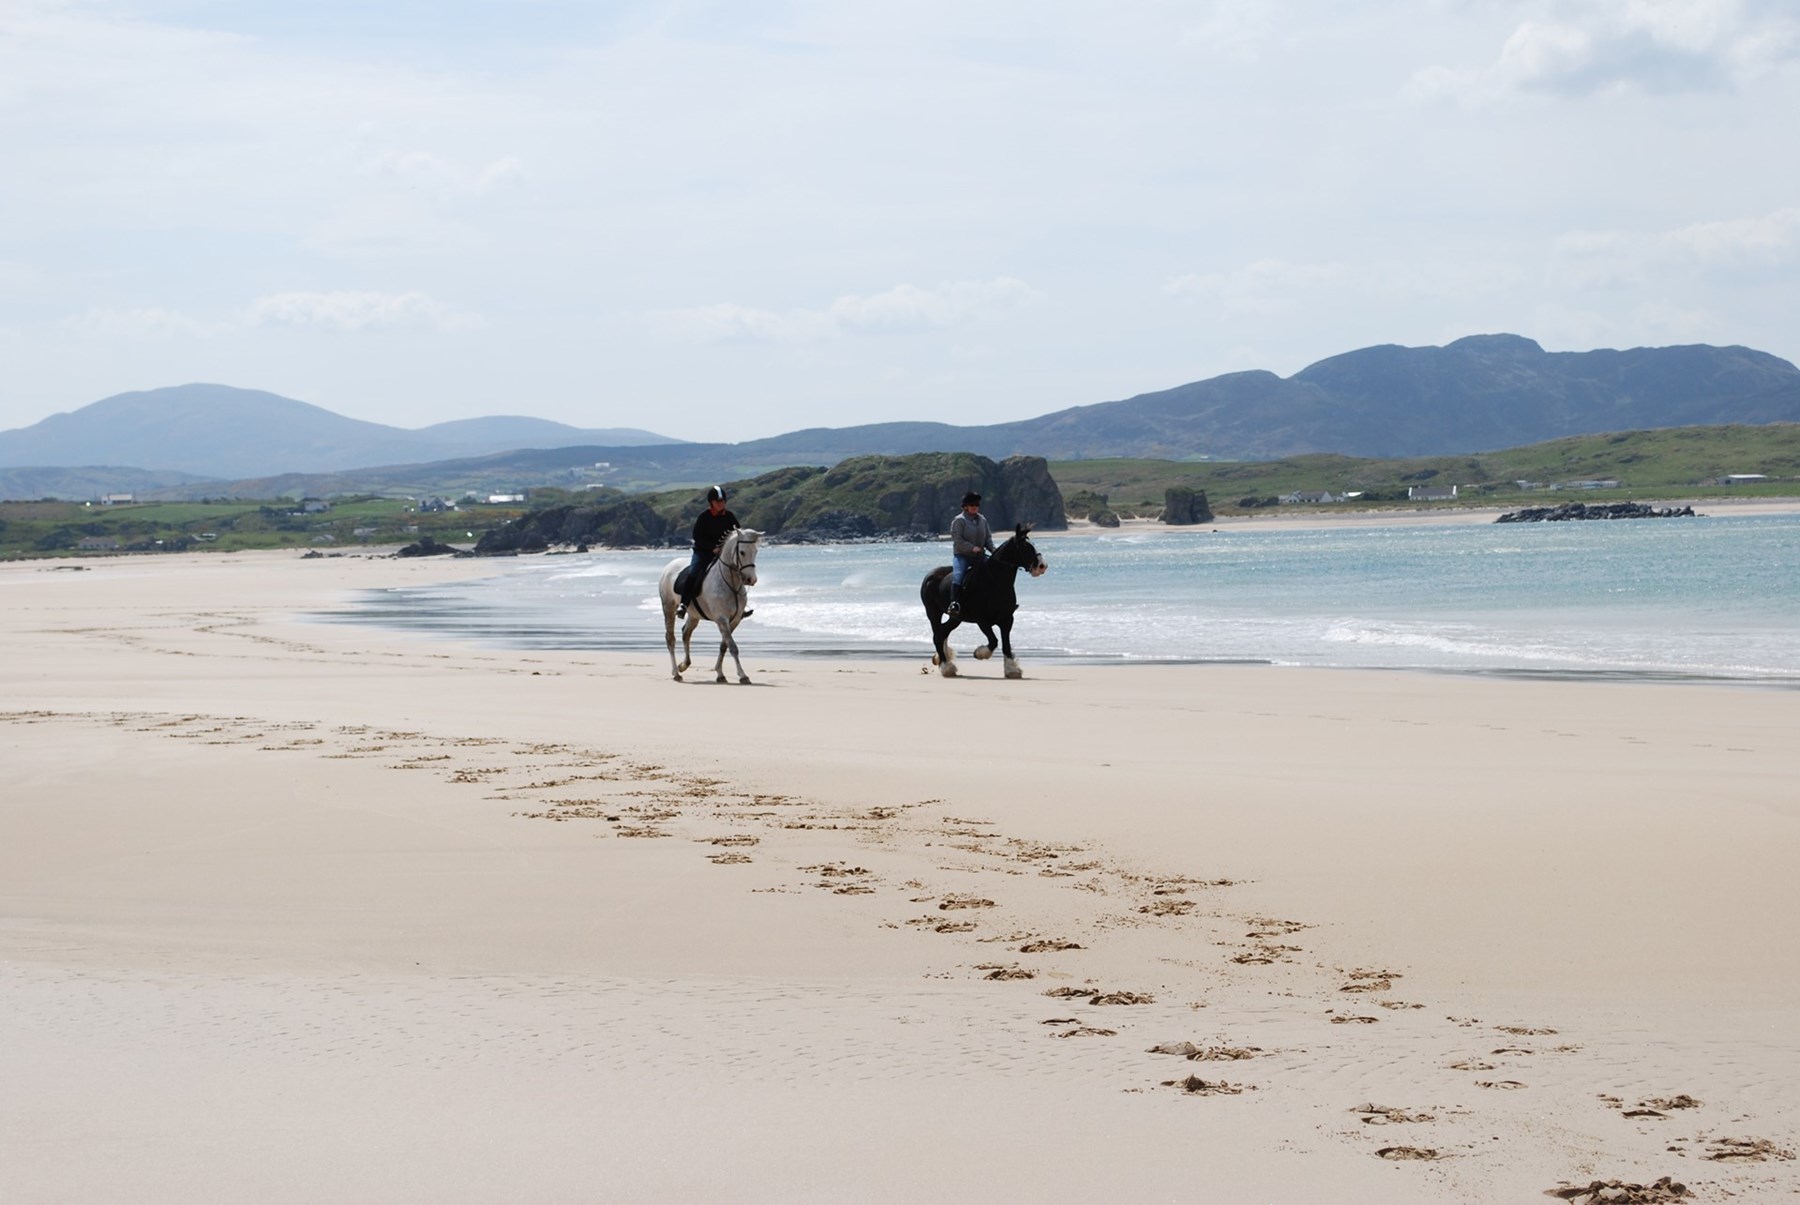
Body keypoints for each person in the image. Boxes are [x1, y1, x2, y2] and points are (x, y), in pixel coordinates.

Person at [677, 485, 740, 619]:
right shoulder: (704, 517)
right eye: (718, 501)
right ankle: (684, 604)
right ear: (711, 502)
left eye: (723, 501)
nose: (721, 504)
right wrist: (712, 548)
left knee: (738, 572)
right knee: (694, 572)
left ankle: (740, 606)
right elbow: (697, 537)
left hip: (724, 554)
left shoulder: (730, 516)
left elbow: (737, 533)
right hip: (703, 552)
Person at [948, 491, 995, 615]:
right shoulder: (959, 521)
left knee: (995, 572)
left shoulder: (983, 520)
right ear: (965, 506)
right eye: (972, 504)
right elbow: (957, 540)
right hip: (962, 556)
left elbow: (987, 538)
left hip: (979, 556)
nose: (975, 507)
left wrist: (993, 550)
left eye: (977, 504)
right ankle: (954, 603)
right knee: (958, 575)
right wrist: (972, 548)